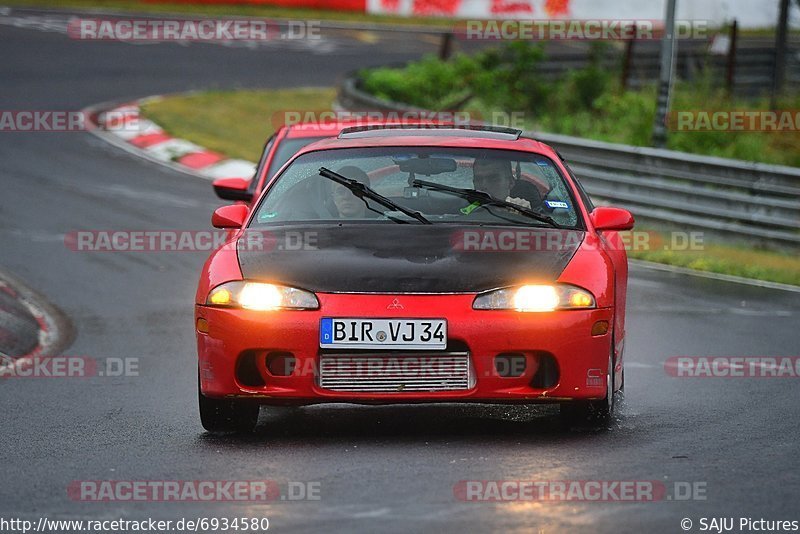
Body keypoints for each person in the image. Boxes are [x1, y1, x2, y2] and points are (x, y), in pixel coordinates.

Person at [464, 159, 538, 214]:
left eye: (493, 179)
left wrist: (527, 216)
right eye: (478, 179)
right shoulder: (462, 208)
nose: (484, 185)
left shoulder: (521, 209)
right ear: (473, 182)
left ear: (510, 183)